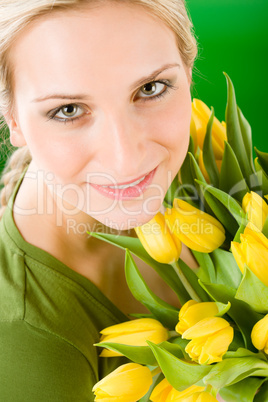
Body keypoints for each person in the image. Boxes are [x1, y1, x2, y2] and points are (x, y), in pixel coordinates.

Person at [0, 0, 198, 400]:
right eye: (68, 110)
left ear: (188, 72)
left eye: (150, 89)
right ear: (14, 119)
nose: (128, 159)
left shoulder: (211, 166)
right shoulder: (27, 348)